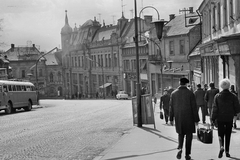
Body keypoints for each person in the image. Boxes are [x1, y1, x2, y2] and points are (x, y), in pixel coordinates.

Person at [170, 77, 199, 160]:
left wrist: (171, 119)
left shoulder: (174, 93)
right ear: (186, 84)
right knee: (189, 136)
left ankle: (180, 148)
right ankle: (187, 154)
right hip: (189, 117)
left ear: (179, 83)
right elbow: (194, 107)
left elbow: (171, 107)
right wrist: (196, 120)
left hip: (179, 117)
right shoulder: (190, 93)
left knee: (180, 134)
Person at [211, 79, 240, 158]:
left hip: (220, 117)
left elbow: (214, 108)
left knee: (220, 134)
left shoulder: (217, 96)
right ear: (229, 86)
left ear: (221, 86)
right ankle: (227, 151)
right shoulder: (233, 96)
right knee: (228, 134)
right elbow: (237, 106)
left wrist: (212, 119)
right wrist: (237, 113)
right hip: (229, 117)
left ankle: (221, 146)